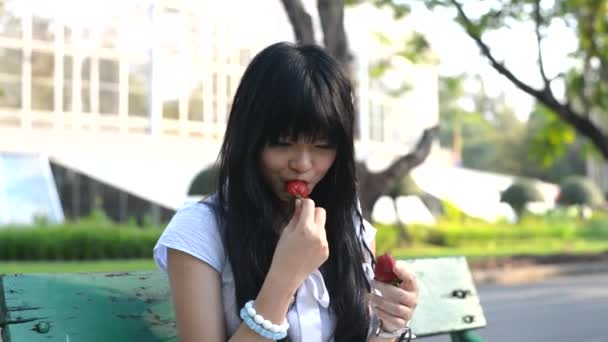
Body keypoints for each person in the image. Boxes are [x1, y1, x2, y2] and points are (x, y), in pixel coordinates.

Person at [153, 42, 419, 341]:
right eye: (282, 142)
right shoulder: (200, 231)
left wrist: (390, 325)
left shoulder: (348, 222)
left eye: (322, 146)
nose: (302, 164)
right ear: (249, 139)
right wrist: (285, 276)